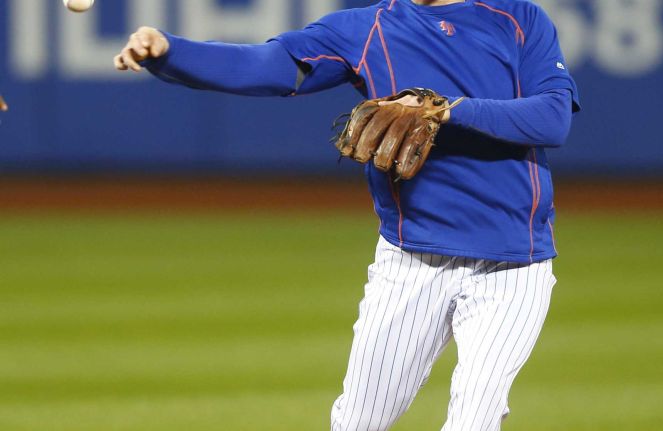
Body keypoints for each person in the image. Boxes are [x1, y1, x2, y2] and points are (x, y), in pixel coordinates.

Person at [114, 1, 580, 429]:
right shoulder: (366, 29)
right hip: (412, 261)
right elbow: (267, 65)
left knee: (475, 419)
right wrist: (170, 52)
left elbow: (553, 118)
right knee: (359, 422)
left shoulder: (519, 18)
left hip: (515, 265)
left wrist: (447, 110)